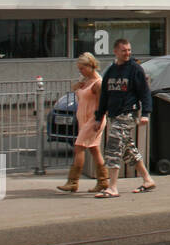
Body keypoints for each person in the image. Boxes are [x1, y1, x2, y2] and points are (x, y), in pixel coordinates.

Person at [93, 38, 156, 196]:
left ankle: (112, 187)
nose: (127, 53)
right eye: (124, 50)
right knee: (128, 149)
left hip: (129, 113)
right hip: (114, 115)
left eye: (129, 50)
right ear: (116, 51)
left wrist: (146, 114)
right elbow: (104, 96)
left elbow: (144, 92)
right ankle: (148, 179)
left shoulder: (135, 69)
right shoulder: (111, 71)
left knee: (114, 145)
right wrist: (99, 117)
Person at [56, 52, 107, 193]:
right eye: (79, 69)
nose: (81, 71)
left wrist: (98, 119)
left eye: (83, 68)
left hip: (93, 119)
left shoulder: (98, 83)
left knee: (79, 147)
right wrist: (78, 85)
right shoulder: (86, 81)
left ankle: (73, 181)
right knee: (94, 149)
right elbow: (77, 92)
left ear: (91, 66)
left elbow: (100, 104)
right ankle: (103, 181)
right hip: (84, 119)